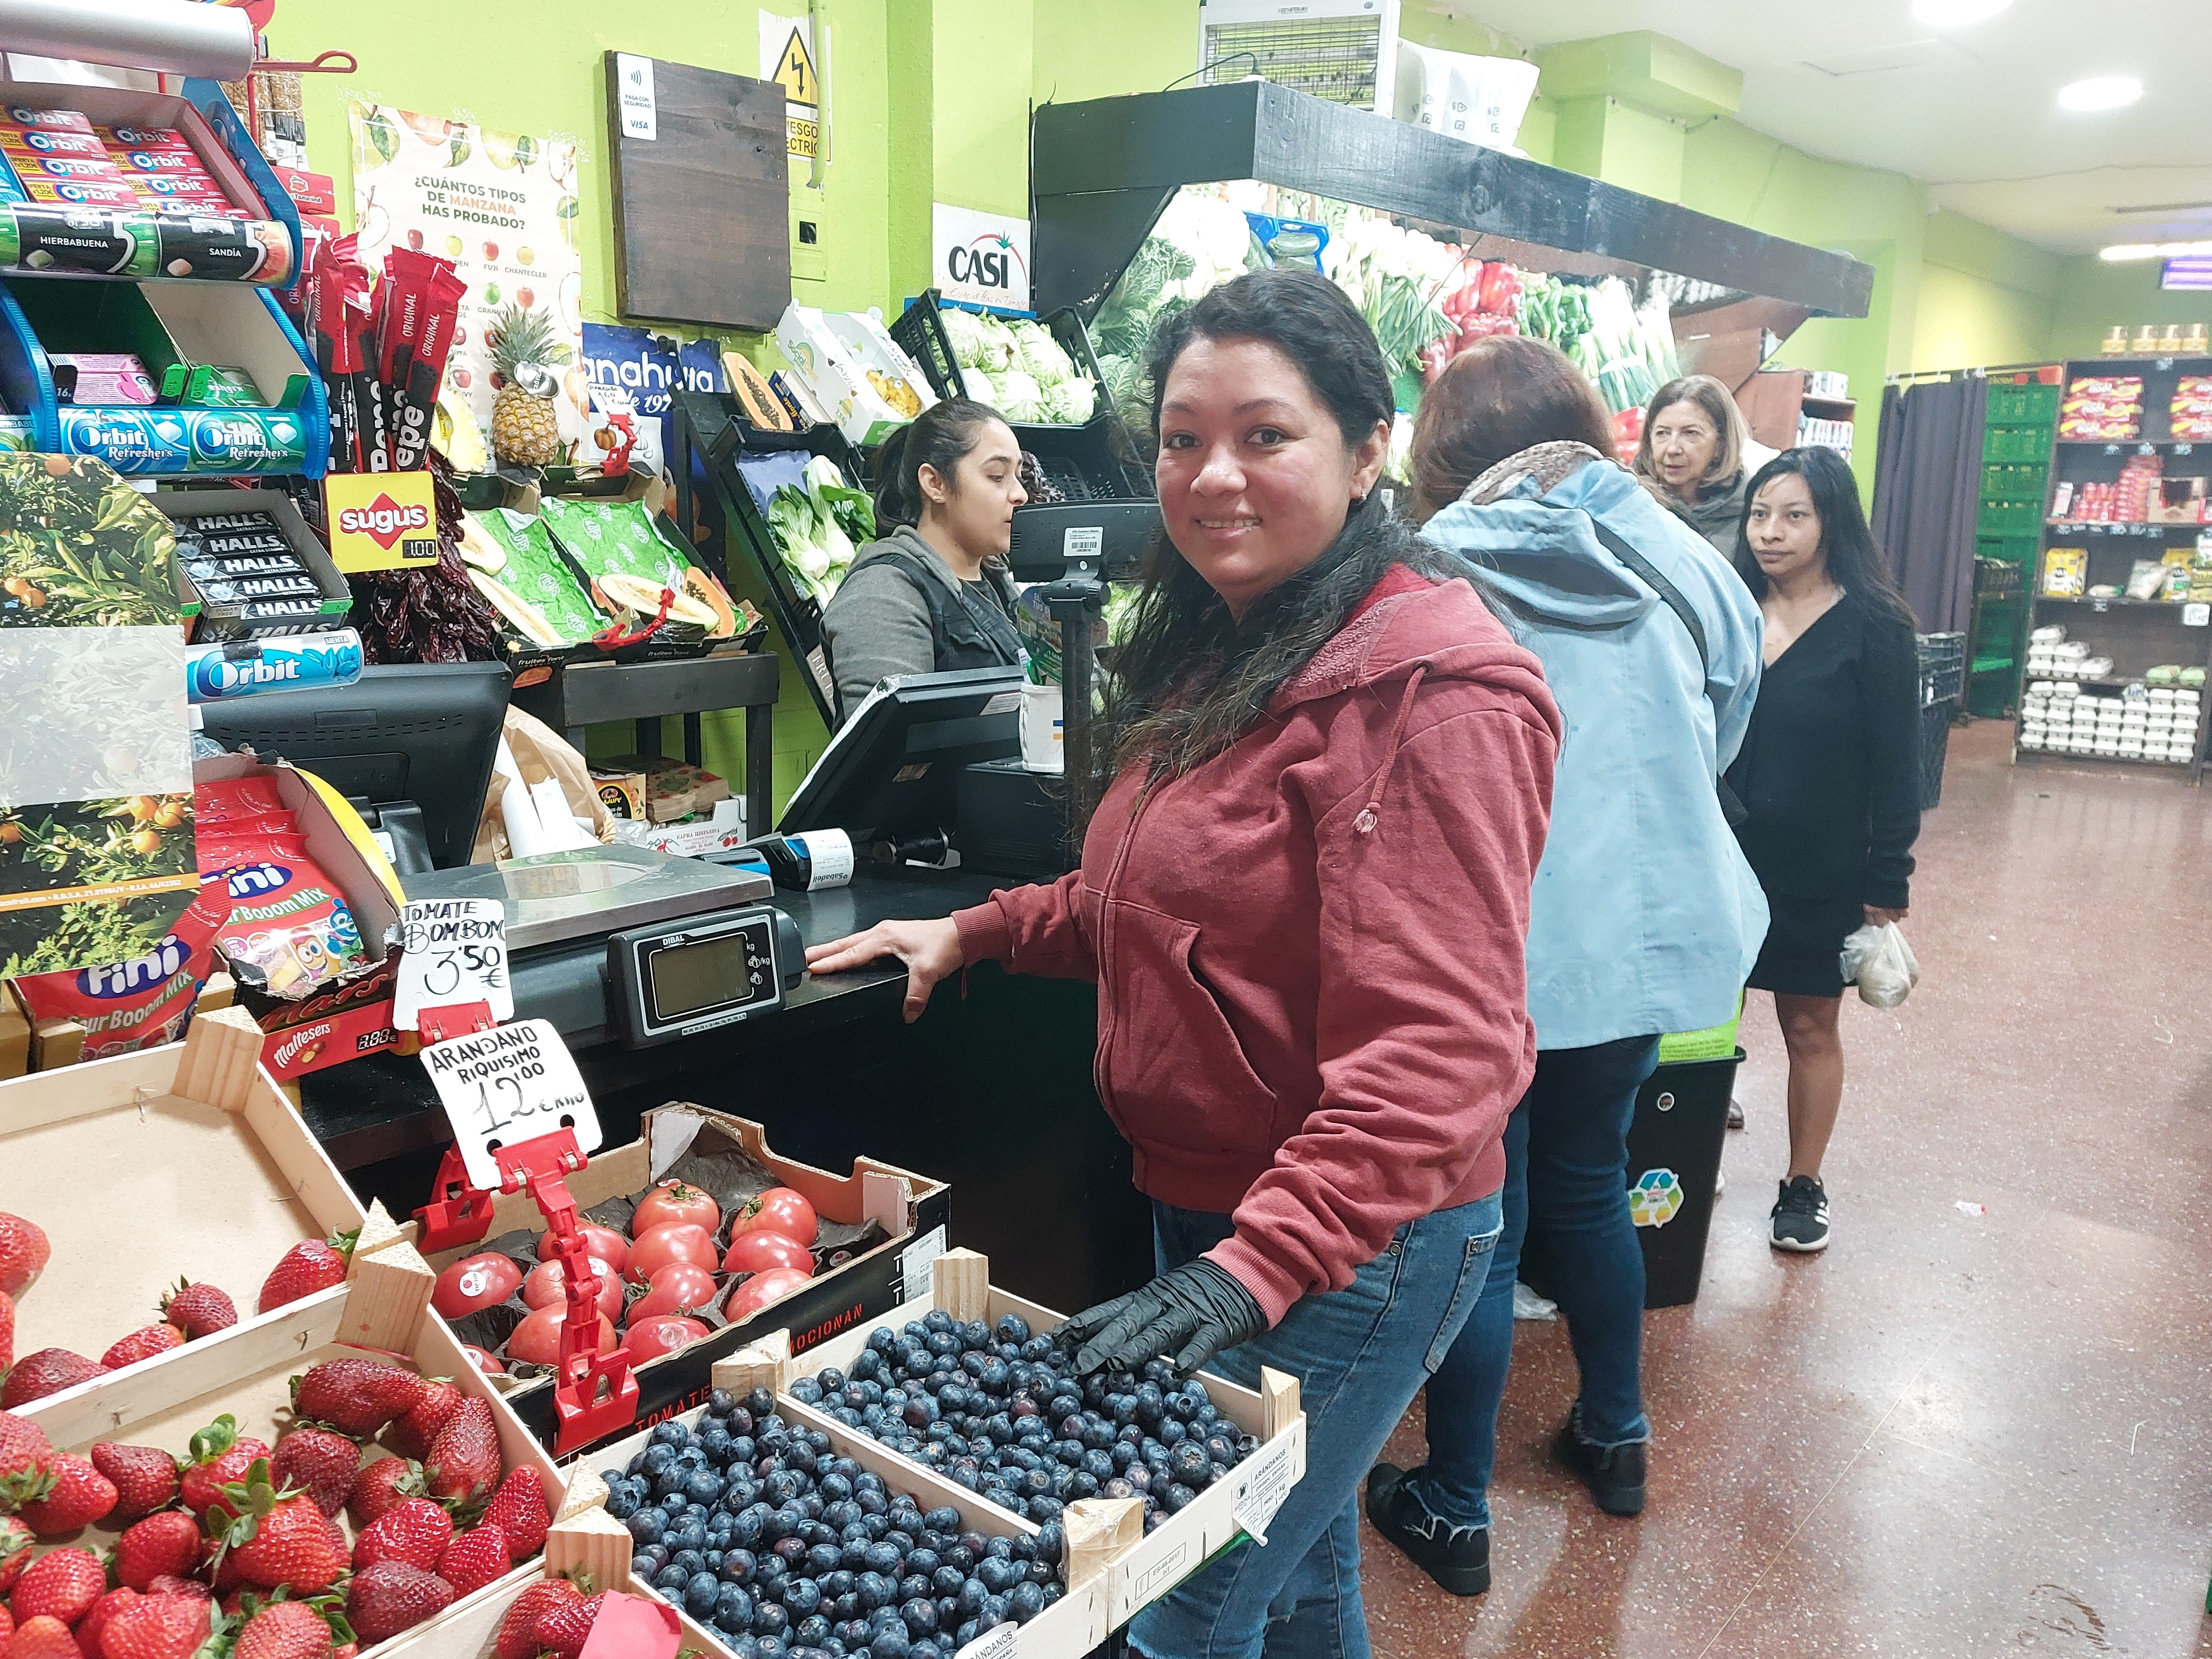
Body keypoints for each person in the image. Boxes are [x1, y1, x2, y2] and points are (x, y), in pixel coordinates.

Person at [804, 267, 1561, 1659]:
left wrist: (1243, 1274)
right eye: (1179, 437)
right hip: (1212, 1210)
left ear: (1364, 447)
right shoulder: (1229, 645)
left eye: (1263, 435)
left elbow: (1441, 1053)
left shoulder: (1429, 693)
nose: (1211, 475)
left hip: (1355, 1244)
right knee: (1302, 1570)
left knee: (1168, 1604)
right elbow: (1143, 899)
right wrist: (973, 929)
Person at [1362, 337, 1768, 1596]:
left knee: (1479, 1217)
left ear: (1440, 453)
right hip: (1639, 937)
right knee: (1593, 1182)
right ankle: (1617, 1433)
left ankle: (1456, 1498)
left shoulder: (1421, 571)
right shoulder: (1685, 557)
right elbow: (1729, 710)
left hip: (1483, 946)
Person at [1725, 445, 1921, 1253]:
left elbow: (1896, 759)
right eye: (1759, 513)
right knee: (1703, 1021)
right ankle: (1681, 1148)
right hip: (1721, 861)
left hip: (1820, 867)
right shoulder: (1728, 607)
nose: (1769, 532)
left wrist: (1888, 873)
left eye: (1792, 514)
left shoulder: (1874, 625)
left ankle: (1800, 1185)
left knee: (1809, 1028)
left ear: (1830, 520)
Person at [819, 397, 1026, 725]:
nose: (1020, 495)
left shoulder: (1001, 587)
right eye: (997, 476)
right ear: (935, 484)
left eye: (1018, 475)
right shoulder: (882, 594)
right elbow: (886, 749)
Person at [1636, 373, 1764, 564]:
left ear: (1721, 443)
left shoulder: (1755, 508)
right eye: (1662, 433)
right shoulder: (1630, 501)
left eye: (1690, 434)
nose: (1673, 449)